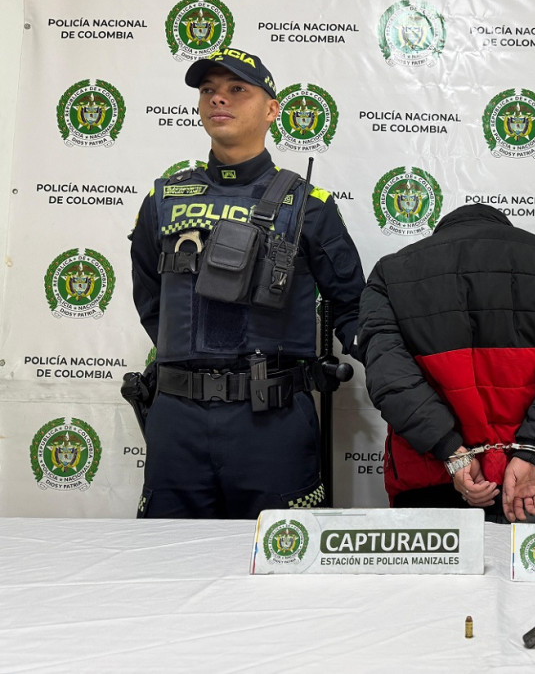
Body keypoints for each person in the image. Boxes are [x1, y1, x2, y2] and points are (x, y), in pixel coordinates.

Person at [129, 46, 365, 519]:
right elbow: (149, 297)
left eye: (237, 89)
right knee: (166, 569)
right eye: (208, 91)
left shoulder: (308, 203)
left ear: (272, 109)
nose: (220, 100)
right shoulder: (164, 198)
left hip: (270, 421)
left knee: (280, 573)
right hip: (177, 421)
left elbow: (351, 306)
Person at [358, 204, 535, 523]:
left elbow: (389, 376)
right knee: (522, 570)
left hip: (432, 477)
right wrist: (534, 450)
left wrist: (450, 449)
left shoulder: (391, 272)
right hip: (528, 483)